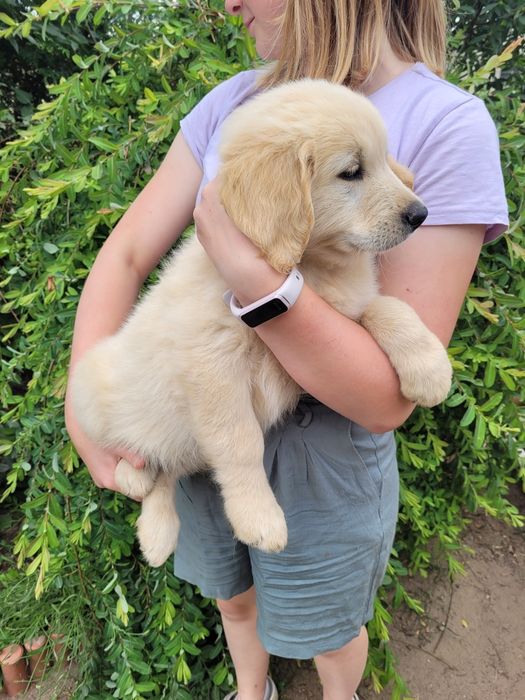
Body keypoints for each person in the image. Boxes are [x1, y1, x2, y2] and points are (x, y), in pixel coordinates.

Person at [65, 1, 509, 699]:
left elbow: (381, 397)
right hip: (202, 413)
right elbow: (123, 256)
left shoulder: (443, 121)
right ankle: (250, 688)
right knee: (231, 597)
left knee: (329, 627)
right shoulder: (235, 106)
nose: (228, 3)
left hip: (322, 457)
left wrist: (255, 280)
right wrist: (81, 404)